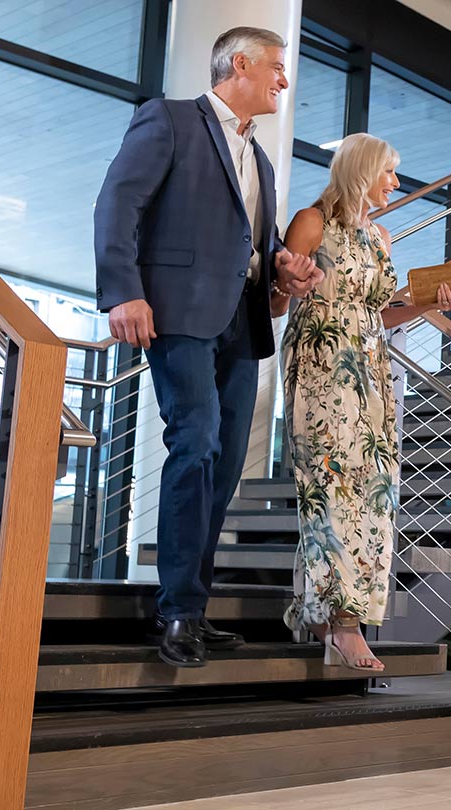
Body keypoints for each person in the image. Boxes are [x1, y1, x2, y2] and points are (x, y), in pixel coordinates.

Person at [93, 26, 323, 669]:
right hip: (178, 314)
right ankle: (175, 613)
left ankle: (191, 606)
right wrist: (122, 292)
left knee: (223, 468)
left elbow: (254, 237)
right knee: (195, 444)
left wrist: (284, 265)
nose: (284, 80)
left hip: (241, 320)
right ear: (241, 65)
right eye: (277, 67)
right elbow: (118, 203)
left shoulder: (262, 155)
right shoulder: (168, 120)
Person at [280, 133, 451, 672]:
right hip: (319, 369)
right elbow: (275, 298)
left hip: (370, 376)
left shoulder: (380, 237)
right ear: (361, 170)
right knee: (329, 491)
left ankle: (319, 612)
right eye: (389, 173)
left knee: (374, 495)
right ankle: (344, 624)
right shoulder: (311, 223)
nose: (396, 184)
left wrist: (429, 305)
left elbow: (378, 314)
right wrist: (292, 284)